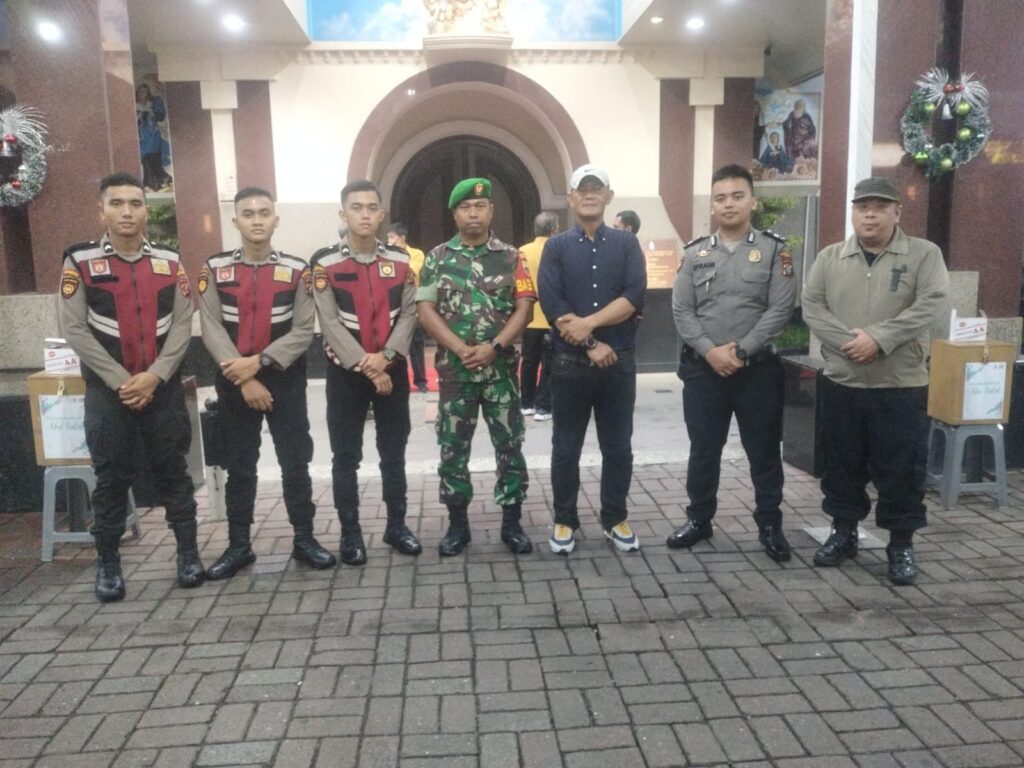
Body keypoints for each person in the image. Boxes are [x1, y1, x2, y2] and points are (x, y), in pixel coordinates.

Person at [59, 172, 204, 602]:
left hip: (162, 389)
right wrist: (124, 382)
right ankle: (108, 565)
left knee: (174, 473)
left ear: (146, 211)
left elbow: (182, 325)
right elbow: (74, 329)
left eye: (136, 204)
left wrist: (154, 376)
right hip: (110, 393)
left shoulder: (169, 262)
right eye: (117, 203)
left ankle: (189, 556)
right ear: (101, 211)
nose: (127, 212)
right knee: (110, 479)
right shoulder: (80, 261)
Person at [802, 177, 949, 585]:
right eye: (862, 207)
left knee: (901, 469)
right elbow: (812, 306)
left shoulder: (923, 255)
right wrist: (851, 343)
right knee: (842, 465)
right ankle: (843, 533)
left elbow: (932, 303)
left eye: (880, 207)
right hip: (843, 382)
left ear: (897, 213)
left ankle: (900, 544)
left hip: (900, 385)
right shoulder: (831, 258)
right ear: (853, 212)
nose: (870, 214)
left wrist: (880, 339)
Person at [198, 187, 335, 579]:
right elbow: (210, 326)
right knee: (240, 466)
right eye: (248, 213)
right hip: (233, 382)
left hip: (284, 380)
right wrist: (243, 378)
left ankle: (304, 539)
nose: (256, 220)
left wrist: (258, 364)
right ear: (235, 220)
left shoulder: (297, 271)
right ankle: (238, 547)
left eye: (263, 213)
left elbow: (303, 330)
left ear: (276, 219)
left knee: (295, 462)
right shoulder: (214, 269)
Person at [670, 164, 796, 562]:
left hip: (757, 372)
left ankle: (770, 525)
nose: (729, 204)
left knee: (763, 452)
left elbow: (780, 309)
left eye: (737, 196)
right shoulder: (695, 253)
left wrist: (741, 351)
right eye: (721, 198)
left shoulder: (775, 251)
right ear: (712, 205)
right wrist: (711, 352)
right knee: (703, 451)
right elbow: (682, 310)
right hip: (703, 371)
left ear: (752, 201)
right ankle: (699, 519)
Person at [417, 177, 536, 556]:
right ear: (455, 214)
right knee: (452, 450)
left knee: (510, 447)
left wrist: (494, 347)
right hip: (456, 375)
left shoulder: (512, 257)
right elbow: (425, 310)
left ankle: (512, 524)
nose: (473, 213)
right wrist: (458, 348)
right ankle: (458, 526)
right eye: (466, 207)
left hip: (500, 374)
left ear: (491, 211)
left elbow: (525, 308)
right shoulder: (437, 258)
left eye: (480, 207)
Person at [311, 180, 422, 565]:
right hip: (346, 374)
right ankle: (351, 534)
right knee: (345, 457)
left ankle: (397, 526)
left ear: (381, 214)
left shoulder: (402, 261)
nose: (364, 214)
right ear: (343, 214)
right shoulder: (325, 263)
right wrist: (368, 366)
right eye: (356, 207)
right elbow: (329, 323)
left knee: (394, 453)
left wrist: (386, 356)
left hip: (392, 368)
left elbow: (409, 313)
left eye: (371, 208)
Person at [538, 164, 647, 554]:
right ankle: (564, 520)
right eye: (581, 189)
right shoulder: (555, 248)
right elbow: (553, 304)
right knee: (566, 448)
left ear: (608, 196)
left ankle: (615, 518)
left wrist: (589, 325)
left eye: (595, 188)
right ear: (570, 198)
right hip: (569, 366)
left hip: (619, 364)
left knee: (618, 448)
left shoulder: (626, 244)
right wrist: (589, 343)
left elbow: (633, 297)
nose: (588, 194)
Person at [518, 212, 558, 421]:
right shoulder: (557, 249)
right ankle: (543, 407)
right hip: (552, 316)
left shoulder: (522, 251)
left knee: (529, 361)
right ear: (553, 230)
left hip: (529, 316)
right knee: (549, 364)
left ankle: (526, 403)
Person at [387, 222, 429, 393]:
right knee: (392, 343)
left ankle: (421, 381)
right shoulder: (387, 255)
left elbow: (412, 271)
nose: (389, 241)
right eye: (388, 238)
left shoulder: (416, 254)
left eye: (392, 237)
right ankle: (392, 377)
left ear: (402, 238)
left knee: (416, 345)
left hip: (412, 304)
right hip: (394, 305)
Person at [136, 84, 172, 192]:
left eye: (144, 92)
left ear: (148, 93)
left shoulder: (151, 105)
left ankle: (153, 183)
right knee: (146, 160)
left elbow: (160, 117)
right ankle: (152, 183)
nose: (142, 94)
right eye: (140, 92)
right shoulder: (136, 106)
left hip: (152, 136)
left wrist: (151, 112)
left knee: (153, 159)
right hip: (142, 137)